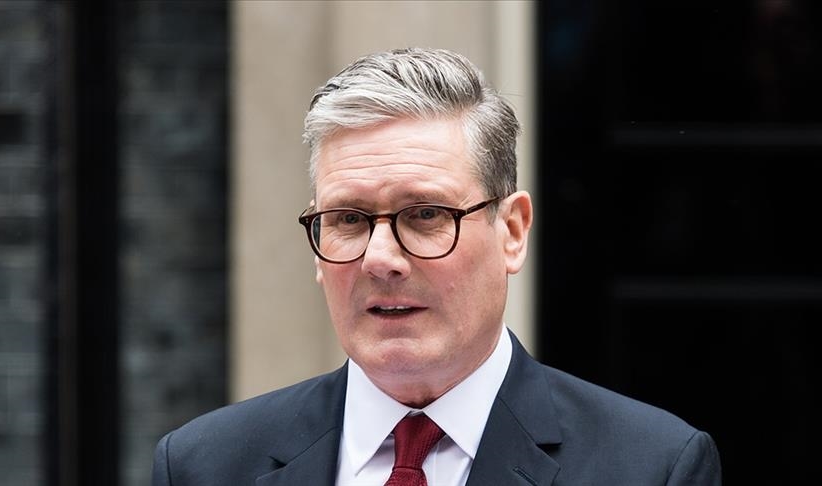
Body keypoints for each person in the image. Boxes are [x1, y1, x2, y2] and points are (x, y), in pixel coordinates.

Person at [152, 47, 721, 485]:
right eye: (347, 219)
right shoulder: (205, 464)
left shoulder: (650, 466)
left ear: (512, 232)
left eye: (425, 214)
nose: (380, 258)